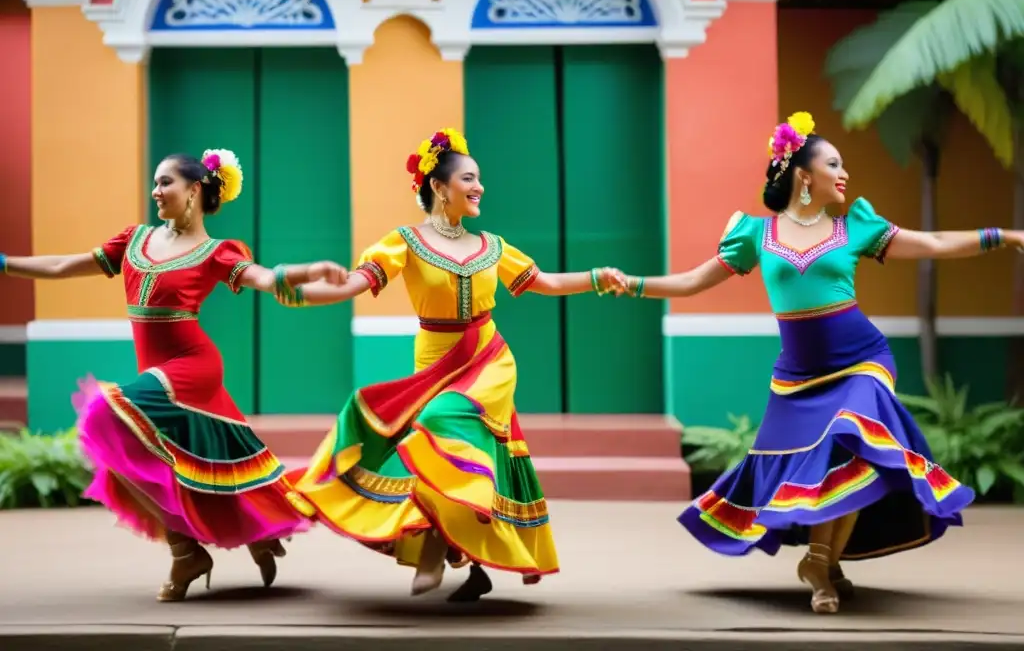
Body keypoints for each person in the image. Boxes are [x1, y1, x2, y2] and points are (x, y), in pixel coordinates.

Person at [616, 112, 1019, 614]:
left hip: (863, 360)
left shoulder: (858, 229)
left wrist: (1004, 235)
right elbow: (693, 281)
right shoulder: (754, 236)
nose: (844, 172)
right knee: (832, 460)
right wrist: (631, 284)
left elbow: (933, 244)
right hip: (797, 379)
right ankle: (825, 567)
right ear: (804, 175)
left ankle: (818, 561)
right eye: (834, 163)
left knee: (853, 430)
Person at [274, 128, 623, 602]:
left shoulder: (491, 246)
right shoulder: (404, 242)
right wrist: (299, 294)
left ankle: (437, 545)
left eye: (479, 180)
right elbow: (354, 284)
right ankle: (472, 560)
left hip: (488, 358)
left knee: (442, 425)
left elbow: (543, 281)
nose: (479, 187)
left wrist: (598, 277)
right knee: (435, 446)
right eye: (469, 178)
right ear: (439, 186)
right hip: (434, 360)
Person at [0, 149, 348, 602]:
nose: (156, 191)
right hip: (158, 370)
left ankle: (186, 551)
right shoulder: (134, 240)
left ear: (195, 190)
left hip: (192, 365)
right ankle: (218, 542)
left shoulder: (217, 252)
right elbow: (65, 266)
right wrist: (6, 263)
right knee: (173, 459)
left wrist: (310, 270)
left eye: (166, 183)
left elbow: (265, 278)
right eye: (156, 182)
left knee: (102, 414)